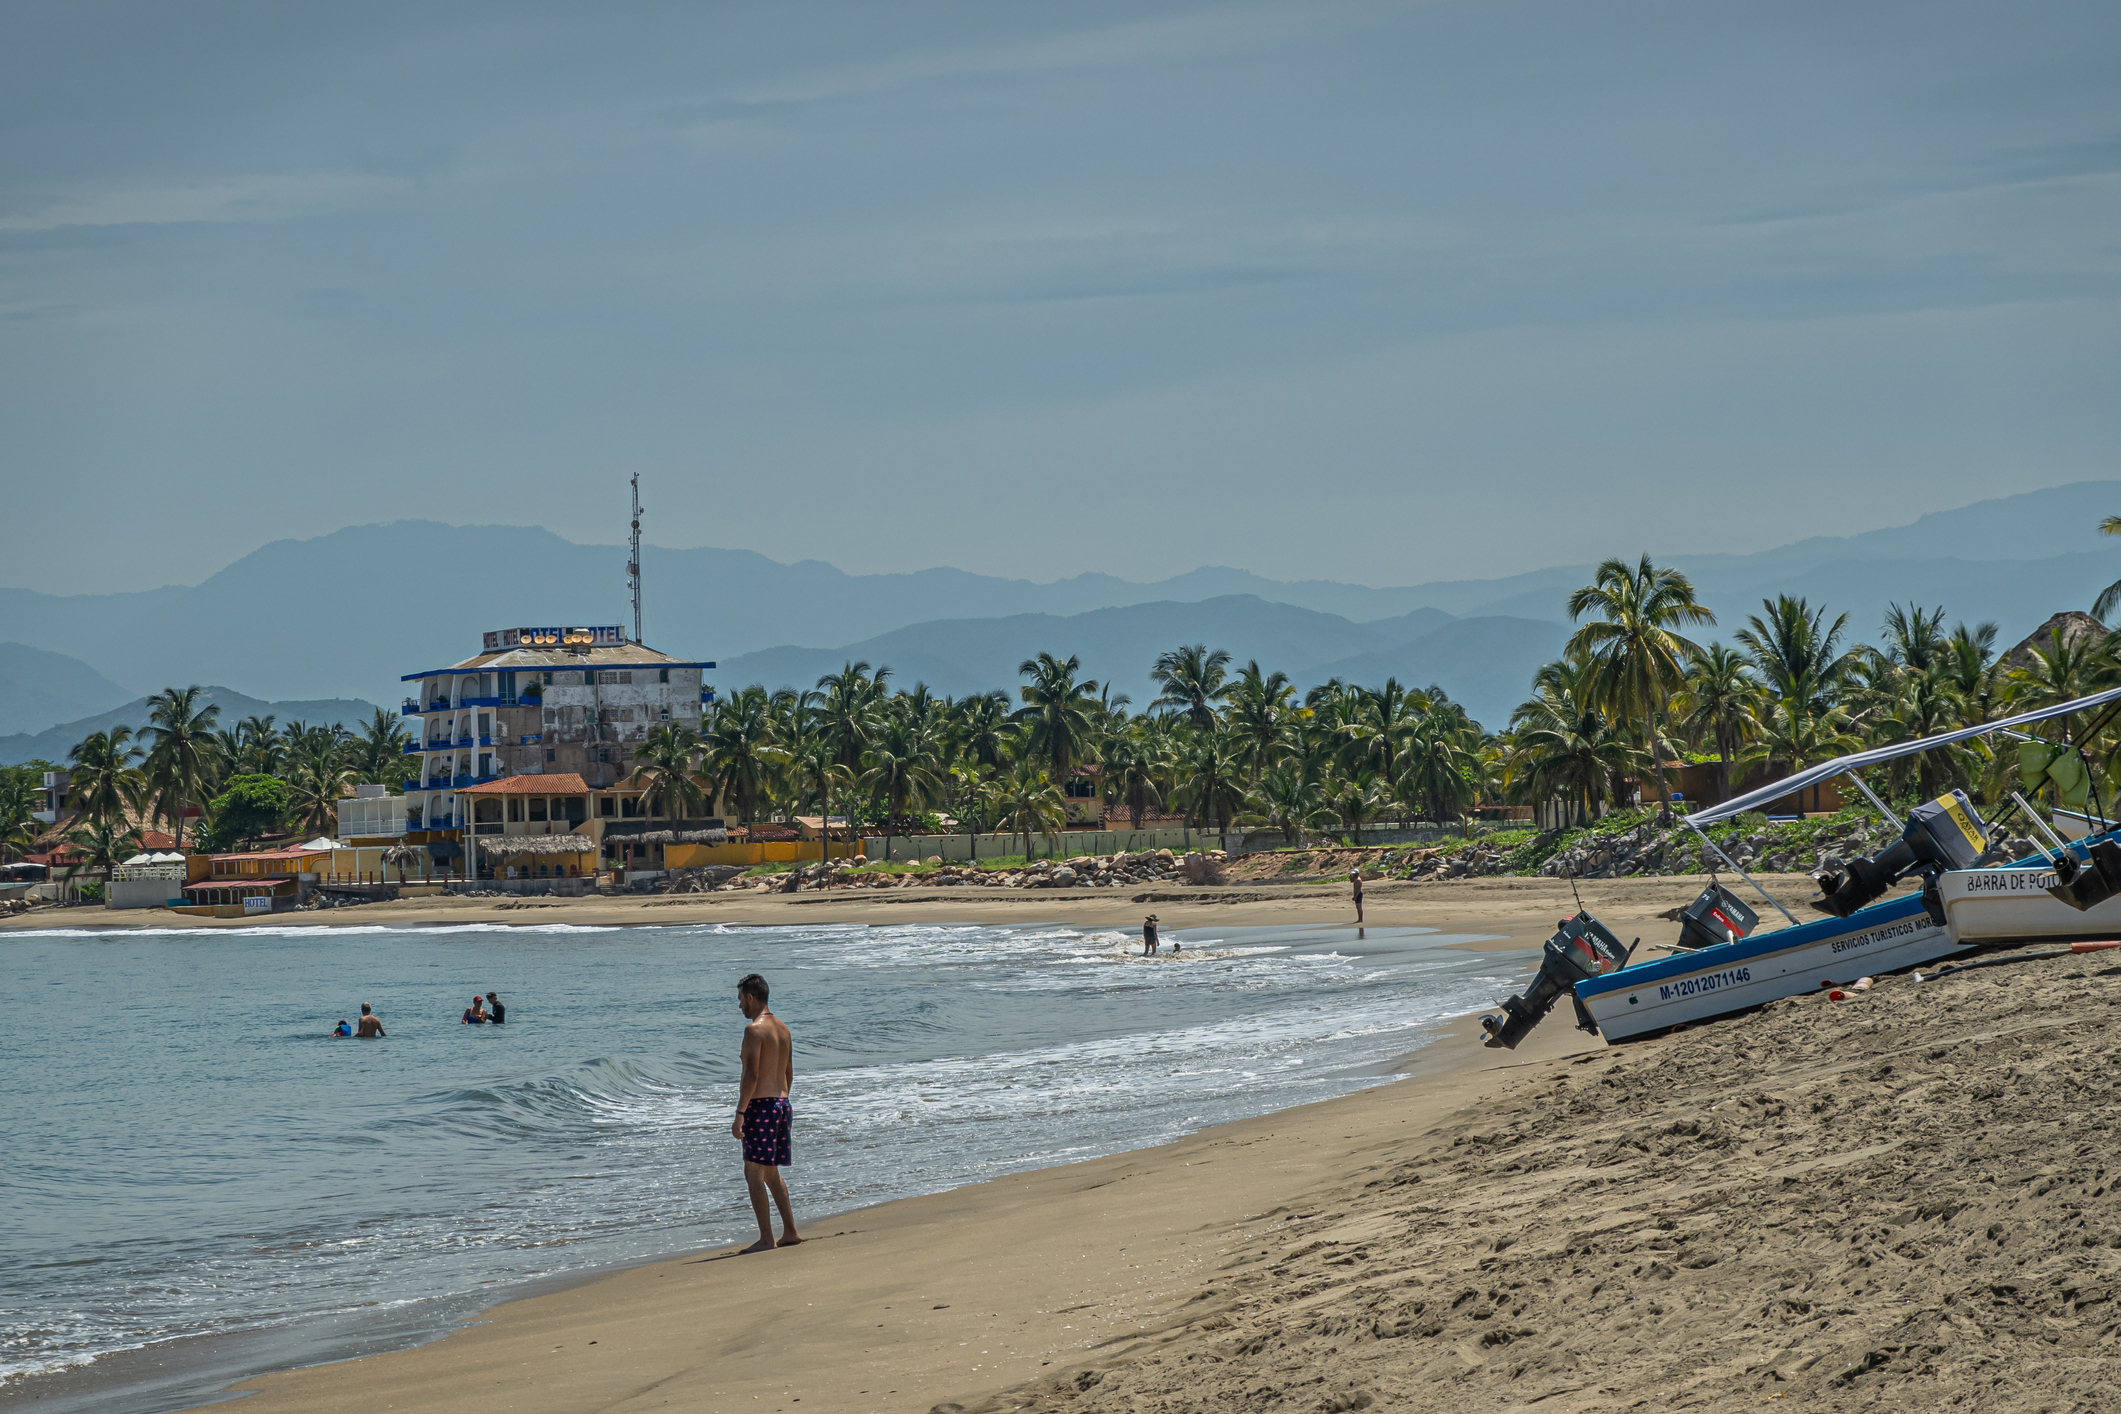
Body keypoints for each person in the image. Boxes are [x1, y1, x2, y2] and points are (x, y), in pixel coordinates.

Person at [733, 973, 800, 1253]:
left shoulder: (753, 1031)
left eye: (740, 1000)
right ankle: (790, 1231)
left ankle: (765, 1238)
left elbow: (751, 1075)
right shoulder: (783, 1029)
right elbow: (788, 1073)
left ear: (751, 997)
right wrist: (780, 1103)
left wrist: (740, 1114)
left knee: (753, 1173)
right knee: (770, 1173)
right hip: (782, 1104)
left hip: (761, 1107)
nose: (739, 1007)